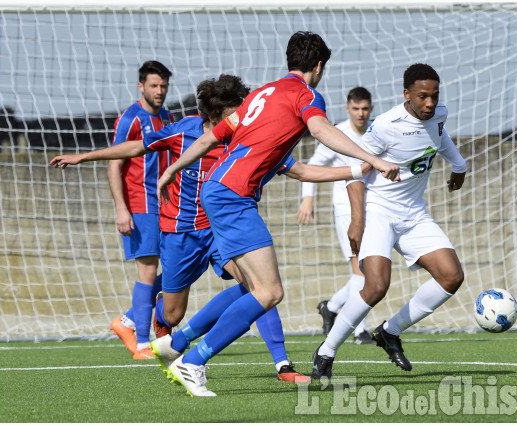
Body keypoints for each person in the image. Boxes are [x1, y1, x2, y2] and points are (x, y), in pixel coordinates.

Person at [50, 74, 371, 383]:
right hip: (182, 233)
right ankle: (147, 320)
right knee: (173, 314)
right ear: (216, 114)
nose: (243, 114)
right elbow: (135, 148)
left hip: (221, 229)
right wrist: (84, 157)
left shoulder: (248, 136)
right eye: (235, 110)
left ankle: (282, 363)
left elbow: (297, 168)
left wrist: (355, 169)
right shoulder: (186, 132)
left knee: (258, 287)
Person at [155, 31, 400, 396]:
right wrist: (374, 158)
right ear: (318, 67)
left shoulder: (260, 96)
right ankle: (192, 361)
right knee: (268, 291)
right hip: (234, 196)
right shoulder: (305, 95)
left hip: (217, 191)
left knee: (254, 287)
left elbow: (211, 140)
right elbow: (320, 129)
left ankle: (181, 344)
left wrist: (173, 169)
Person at [311, 63, 467, 379]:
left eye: (434, 96)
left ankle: (389, 332)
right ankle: (326, 352)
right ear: (406, 94)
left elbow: (440, 135)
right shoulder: (386, 125)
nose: (430, 104)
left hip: (414, 214)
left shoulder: (438, 114)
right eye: (422, 97)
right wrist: (357, 220)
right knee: (376, 285)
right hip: (378, 212)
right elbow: (356, 167)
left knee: (451, 277)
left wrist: (459, 164)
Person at [296, 86, 375, 344]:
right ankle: (359, 329)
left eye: (365, 108)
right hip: (345, 210)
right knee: (362, 271)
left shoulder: (376, 132)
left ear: (371, 108)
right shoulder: (337, 134)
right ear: (347, 108)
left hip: (373, 209)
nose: (360, 113)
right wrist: (308, 198)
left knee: (370, 270)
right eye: (356, 108)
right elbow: (313, 166)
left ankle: (331, 307)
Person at [107, 60, 173, 360]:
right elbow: (114, 164)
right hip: (139, 205)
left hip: (165, 206)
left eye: (163, 86)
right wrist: (121, 209)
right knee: (147, 273)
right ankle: (142, 344)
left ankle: (129, 320)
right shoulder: (130, 119)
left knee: (177, 267)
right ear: (141, 86)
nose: (159, 91)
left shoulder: (169, 117)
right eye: (154, 86)